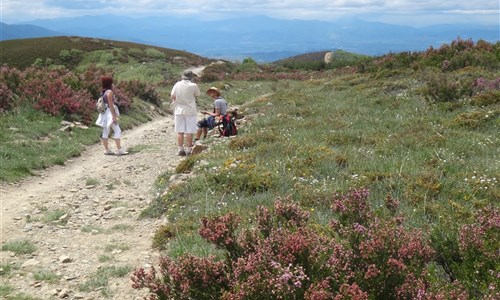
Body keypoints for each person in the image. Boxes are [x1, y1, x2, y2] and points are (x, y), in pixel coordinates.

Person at [95, 75, 128, 155]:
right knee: (117, 130)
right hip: (109, 113)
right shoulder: (109, 92)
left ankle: (107, 150)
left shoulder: (103, 92)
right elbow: (111, 105)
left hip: (104, 113)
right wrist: (114, 117)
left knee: (105, 131)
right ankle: (119, 149)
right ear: (110, 83)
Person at [170, 70, 200, 156]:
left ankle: (180, 149)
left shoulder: (177, 84)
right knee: (189, 131)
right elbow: (197, 94)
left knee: (180, 131)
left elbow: (172, 96)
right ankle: (189, 149)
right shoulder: (194, 85)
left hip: (179, 110)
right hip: (190, 110)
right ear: (191, 77)